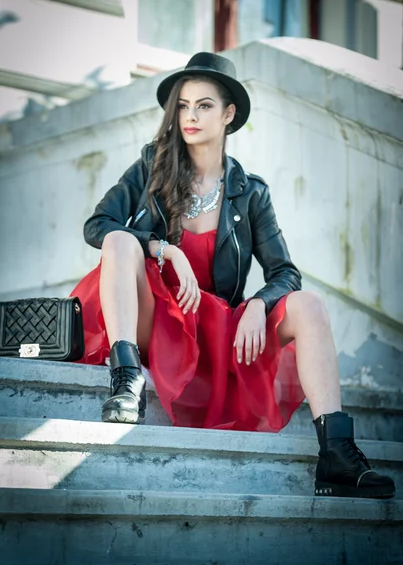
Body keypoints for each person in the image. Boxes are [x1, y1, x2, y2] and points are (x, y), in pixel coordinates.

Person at [71, 51, 395, 500]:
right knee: (122, 241)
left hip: (213, 331)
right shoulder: (151, 167)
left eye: (204, 105)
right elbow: (97, 226)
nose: (190, 116)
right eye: (183, 105)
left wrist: (259, 305)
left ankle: (337, 454)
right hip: (158, 319)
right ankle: (126, 383)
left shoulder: (251, 192)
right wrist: (163, 248)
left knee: (309, 305)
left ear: (228, 114)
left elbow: (285, 271)